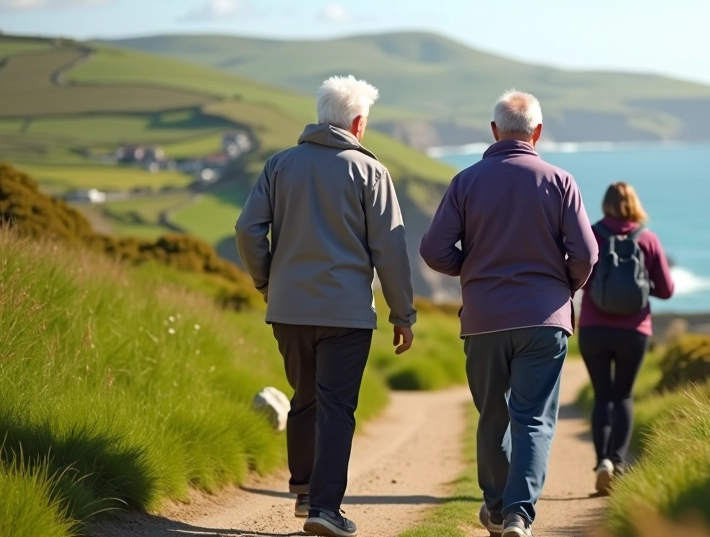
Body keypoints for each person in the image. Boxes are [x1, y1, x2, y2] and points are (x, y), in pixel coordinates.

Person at [235, 75, 416, 537]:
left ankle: (303, 491)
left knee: (306, 398)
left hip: (289, 309)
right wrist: (402, 313)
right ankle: (325, 509)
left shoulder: (280, 164)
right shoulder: (370, 171)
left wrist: (266, 282)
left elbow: (247, 230)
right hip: (346, 314)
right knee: (337, 406)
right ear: (357, 122)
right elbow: (390, 251)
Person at [420, 90, 599, 537]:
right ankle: (520, 514)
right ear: (537, 132)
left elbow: (432, 249)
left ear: (495, 130)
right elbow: (586, 253)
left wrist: (473, 271)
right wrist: (564, 287)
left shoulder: (466, 181)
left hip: (484, 319)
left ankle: (497, 510)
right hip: (544, 319)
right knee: (533, 418)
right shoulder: (560, 180)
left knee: (492, 416)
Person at [578, 182, 675, 494]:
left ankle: (601, 461)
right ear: (635, 204)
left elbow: (577, 276)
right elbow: (666, 290)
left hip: (594, 328)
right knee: (623, 396)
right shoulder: (647, 239)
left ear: (605, 204)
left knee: (602, 395)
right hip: (634, 330)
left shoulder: (591, 234)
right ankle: (617, 462)